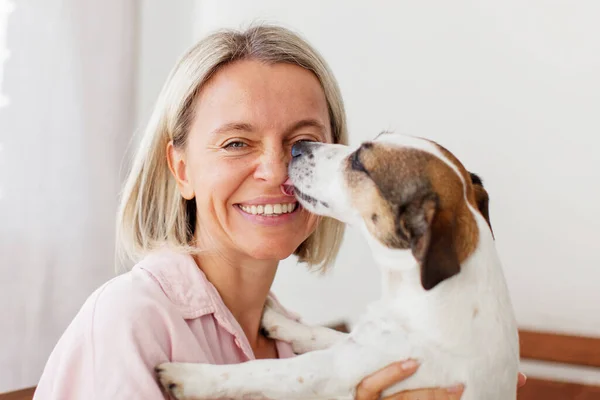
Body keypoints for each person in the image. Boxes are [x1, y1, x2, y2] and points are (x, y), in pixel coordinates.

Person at [34, 24, 525, 399]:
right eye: (235, 142)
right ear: (181, 170)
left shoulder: (291, 342)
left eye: (303, 144)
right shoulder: (127, 323)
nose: (276, 170)